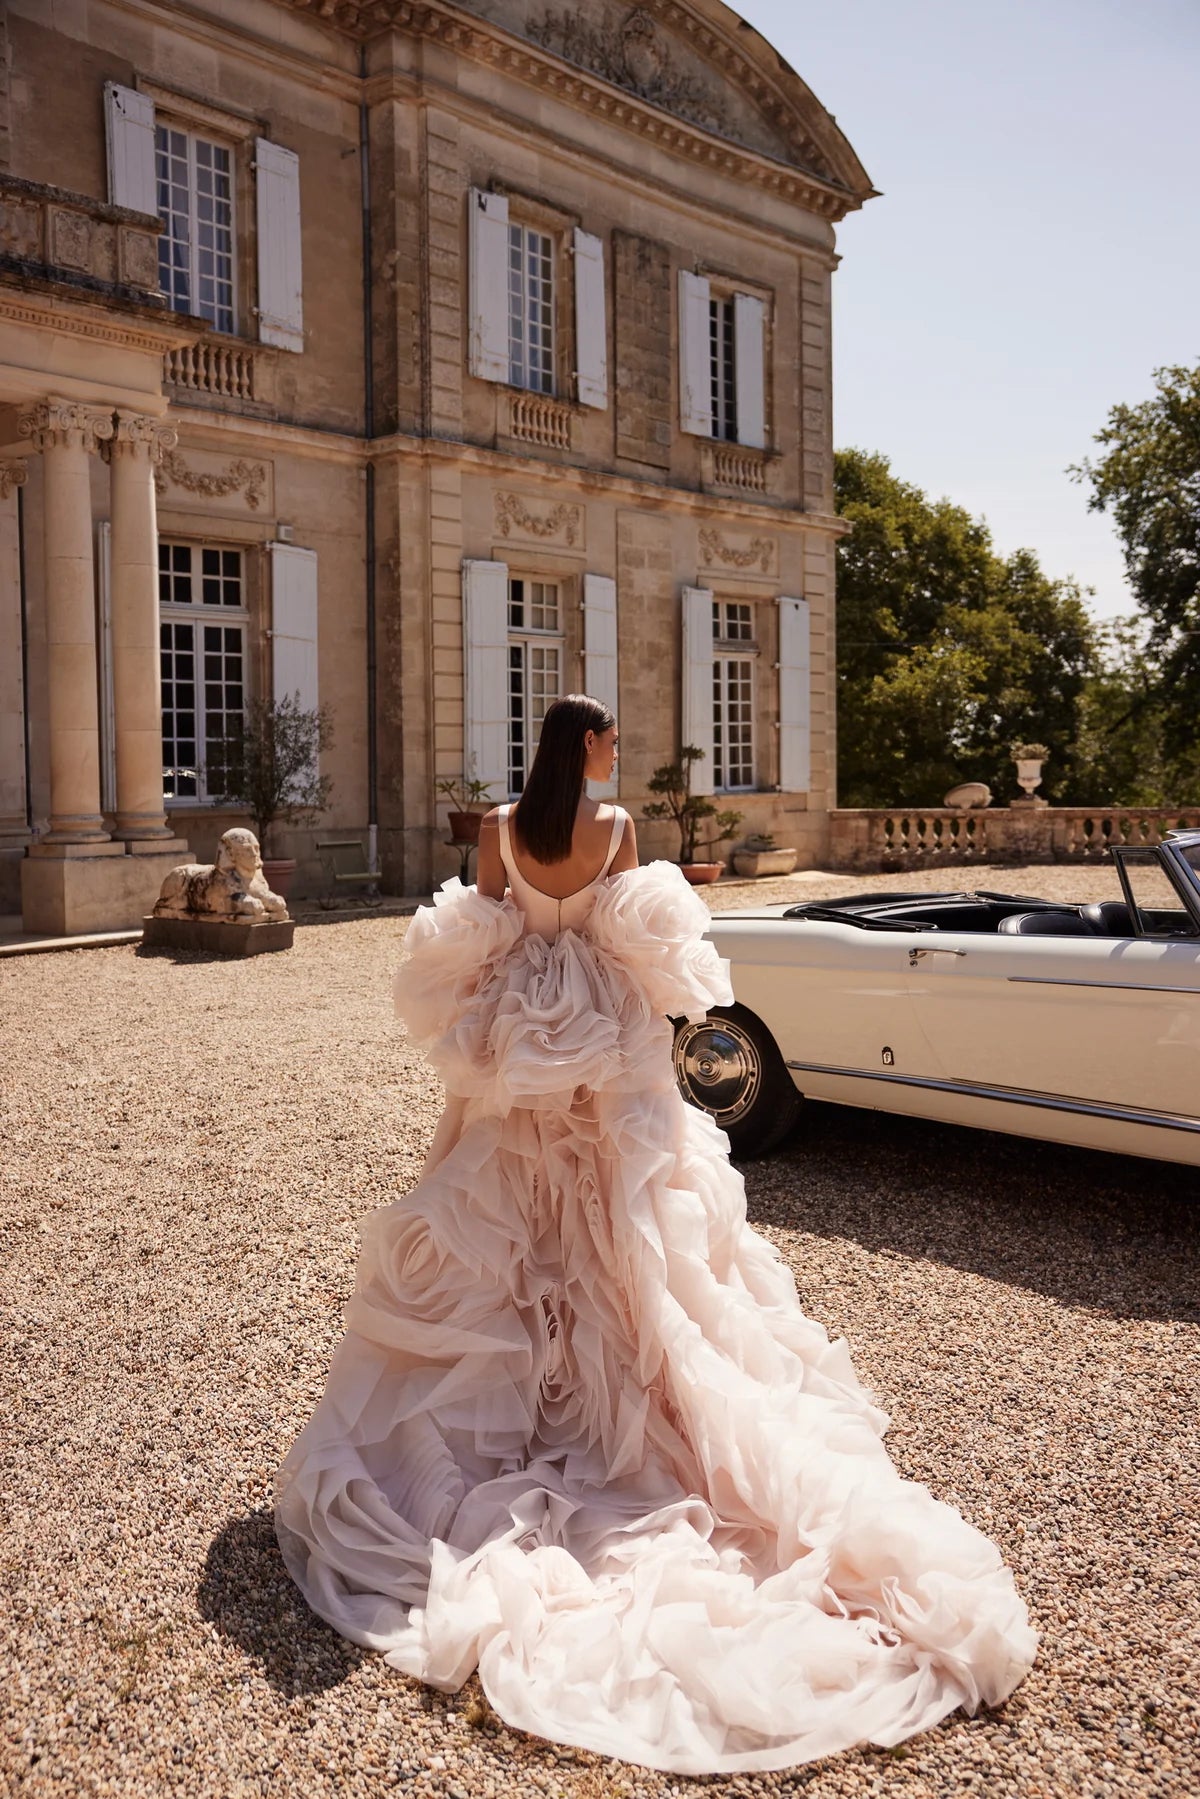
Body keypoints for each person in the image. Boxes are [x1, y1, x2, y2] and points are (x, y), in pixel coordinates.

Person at [274, 693, 1036, 1775]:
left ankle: (516, 1385)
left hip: (519, 1049)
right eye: (610, 738)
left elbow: (479, 948)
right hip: (602, 1046)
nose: (618, 752)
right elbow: (646, 960)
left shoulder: (498, 828)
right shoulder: (620, 828)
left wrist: (512, 1015)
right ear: (585, 747)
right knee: (626, 1216)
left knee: (498, 1209)